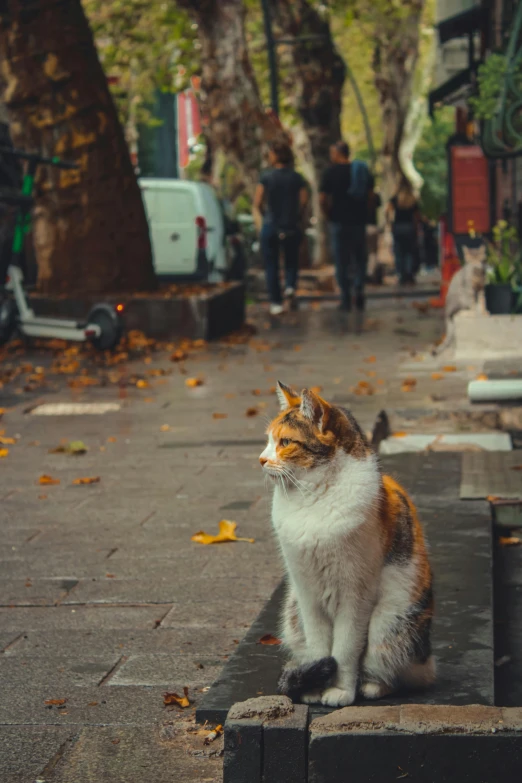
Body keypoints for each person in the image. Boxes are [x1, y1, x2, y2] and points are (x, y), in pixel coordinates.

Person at [253, 140, 309, 315]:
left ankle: (276, 303)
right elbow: (304, 200)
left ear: (275, 157)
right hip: (291, 225)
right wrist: (297, 215)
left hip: (271, 225)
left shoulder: (266, 177)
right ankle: (290, 286)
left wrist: (263, 215)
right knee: (291, 261)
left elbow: (257, 201)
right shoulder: (297, 177)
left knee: (272, 265)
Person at [319, 141, 370, 315]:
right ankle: (359, 288)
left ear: (337, 153)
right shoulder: (361, 171)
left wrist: (328, 214)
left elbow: (322, 198)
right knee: (359, 258)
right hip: (358, 221)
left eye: (332, 152)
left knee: (341, 261)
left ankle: (346, 298)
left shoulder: (330, 173)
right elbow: (370, 195)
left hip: (339, 221)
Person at [386, 180, 420, 285]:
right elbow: (416, 216)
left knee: (399, 252)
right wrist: (416, 228)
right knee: (409, 251)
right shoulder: (412, 199)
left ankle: (402, 274)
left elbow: (387, 211)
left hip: (398, 227)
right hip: (409, 227)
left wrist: (390, 223)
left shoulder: (395, 199)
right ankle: (409, 274)